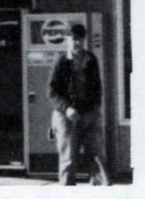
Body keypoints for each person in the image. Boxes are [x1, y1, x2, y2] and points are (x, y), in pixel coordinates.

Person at [48, 23, 111, 186]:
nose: (77, 43)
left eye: (80, 39)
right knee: (69, 157)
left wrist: (96, 106)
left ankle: (100, 189)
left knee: (96, 154)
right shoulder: (60, 61)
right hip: (66, 115)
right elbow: (52, 92)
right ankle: (67, 188)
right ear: (67, 40)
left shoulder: (91, 59)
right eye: (74, 39)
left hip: (90, 113)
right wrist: (66, 108)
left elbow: (97, 85)